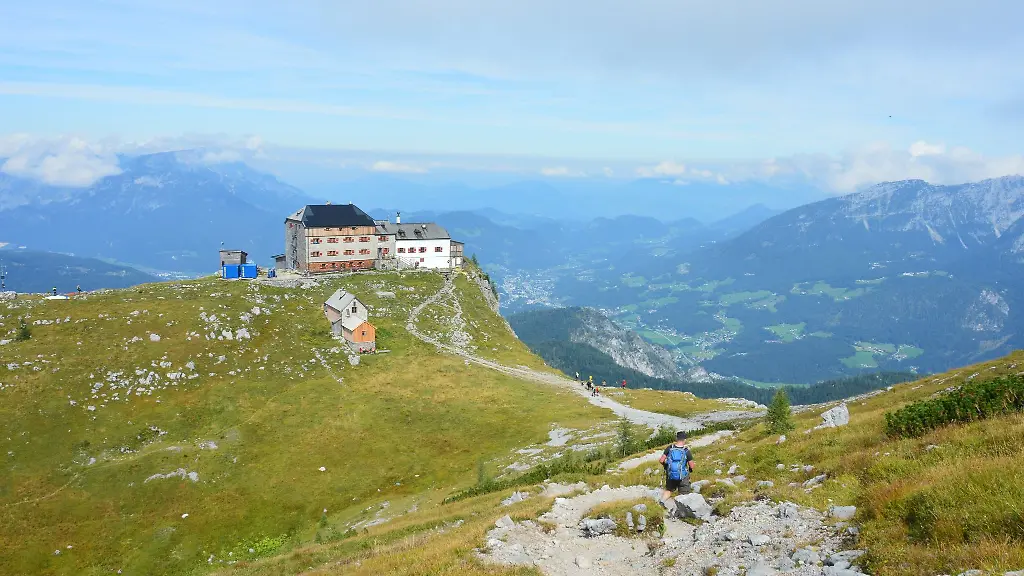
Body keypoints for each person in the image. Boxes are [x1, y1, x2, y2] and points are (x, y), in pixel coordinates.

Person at [659, 431, 694, 501]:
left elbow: (661, 460)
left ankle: (662, 502)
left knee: (669, 490)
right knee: (684, 494)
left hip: (670, 474)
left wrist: (666, 466)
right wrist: (690, 468)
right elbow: (692, 466)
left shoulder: (669, 448)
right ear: (685, 440)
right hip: (683, 476)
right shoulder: (686, 451)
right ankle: (681, 508)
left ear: (676, 438)